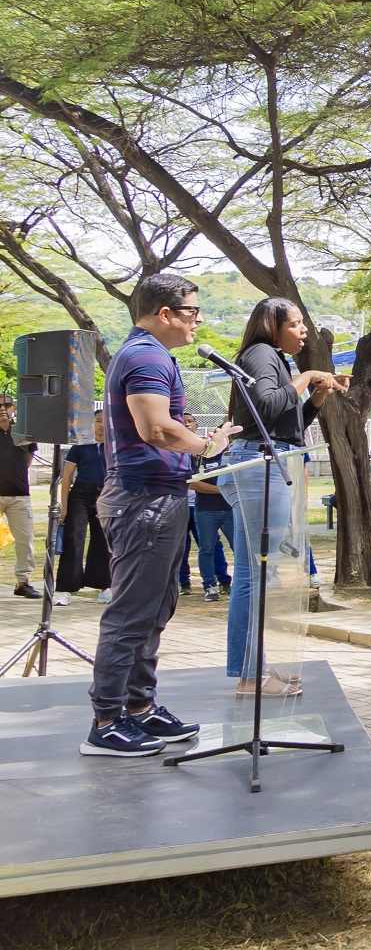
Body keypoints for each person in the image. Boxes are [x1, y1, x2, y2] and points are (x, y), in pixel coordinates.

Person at [83, 273, 239, 757]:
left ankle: (139, 707)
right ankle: (106, 721)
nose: (198, 321)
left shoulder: (150, 355)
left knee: (155, 608)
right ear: (165, 313)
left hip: (158, 498)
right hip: (142, 500)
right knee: (132, 613)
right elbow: (155, 428)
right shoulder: (146, 356)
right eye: (192, 311)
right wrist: (207, 445)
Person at [219, 296, 346, 697]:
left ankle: (253, 666)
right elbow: (265, 404)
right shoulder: (261, 353)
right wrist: (307, 376)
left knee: (256, 574)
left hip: (266, 462)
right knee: (253, 575)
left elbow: (286, 422)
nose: (304, 330)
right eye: (295, 323)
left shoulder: (273, 358)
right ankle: (250, 676)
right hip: (258, 466)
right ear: (272, 326)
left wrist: (317, 396)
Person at [56, 410, 111, 603]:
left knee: (103, 540)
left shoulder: (115, 447)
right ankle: (66, 589)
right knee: (74, 539)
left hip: (105, 495)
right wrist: (64, 506)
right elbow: (67, 478)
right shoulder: (81, 445)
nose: (101, 425)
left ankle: (104, 586)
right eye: (98, 421)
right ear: (92, 423)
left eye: (105, 421)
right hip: (80, 494)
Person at [0, 393, 40, 597]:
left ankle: (22, 582)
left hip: (19, 494)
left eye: (7, 405)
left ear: (14, 408)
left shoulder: (23, 433)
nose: (3, 409)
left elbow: (27, 462)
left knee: (25, 540)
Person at [186, 432, 233, 602]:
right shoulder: (199, 458)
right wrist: (221, 490)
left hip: (231, 510)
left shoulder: (232, 456)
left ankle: (240, 584)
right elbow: (192, 483)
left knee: (239, 548)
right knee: (207, 549)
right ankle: (209, 587)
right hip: (206, 511)